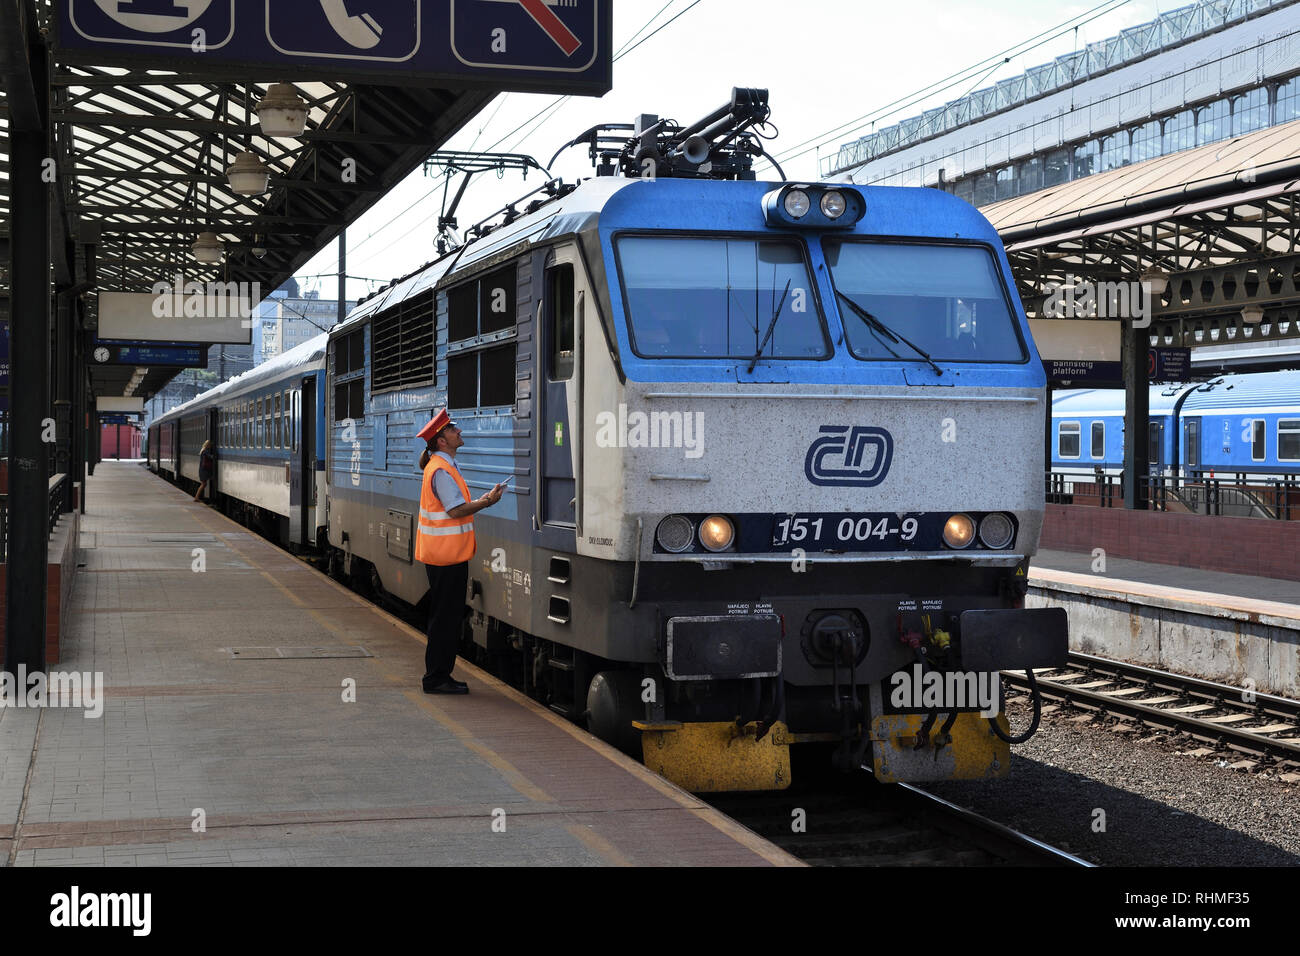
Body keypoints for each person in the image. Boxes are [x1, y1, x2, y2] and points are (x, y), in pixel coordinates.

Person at [414, 409, 504, 694]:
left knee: (446, 616)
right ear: (442, 441)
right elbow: (455, 510)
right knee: (445, 618)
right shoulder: (440, 470)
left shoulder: (443, 465)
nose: (459, 432)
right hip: (445, 556)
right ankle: (436, 678)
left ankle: (440, 675)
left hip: (446, 555)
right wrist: (486, 502)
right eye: (453, 430)